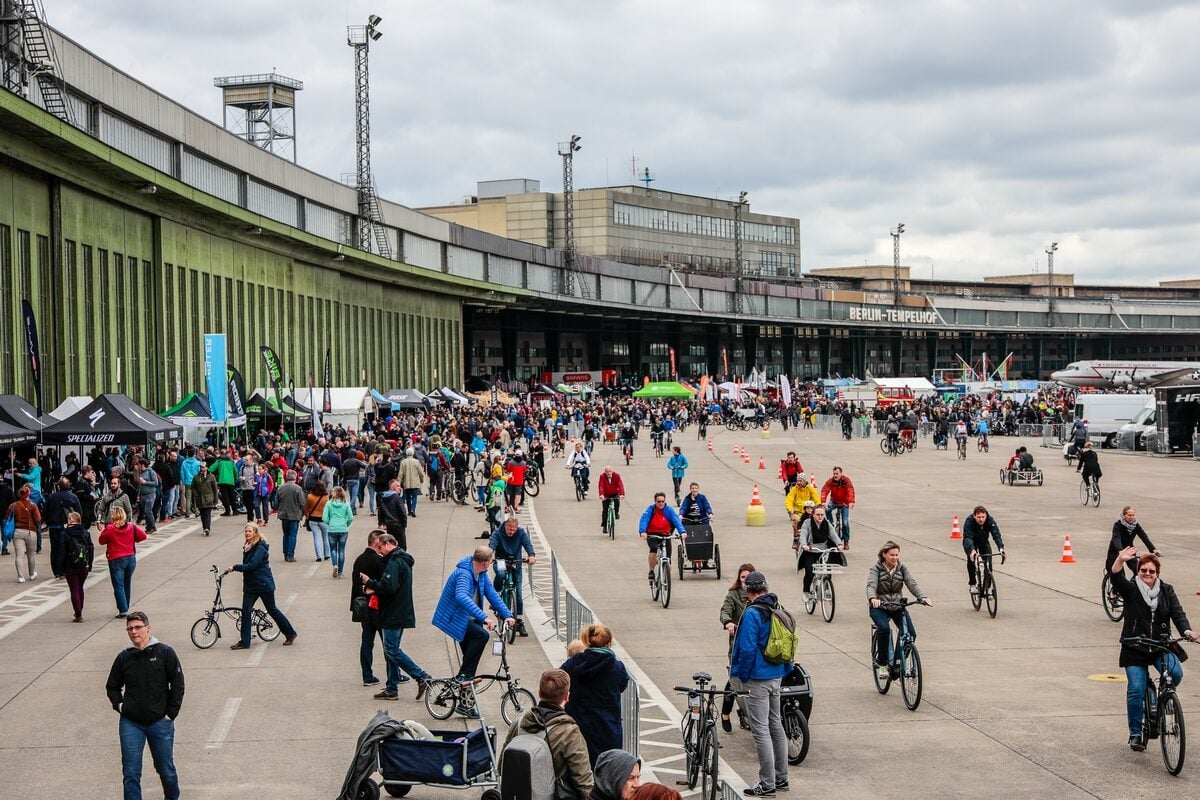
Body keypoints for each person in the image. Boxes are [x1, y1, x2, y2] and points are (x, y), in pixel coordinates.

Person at [1109, 547, 1198, 751]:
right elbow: (1115, 577)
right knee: (1136, 690)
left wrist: (1187, 631)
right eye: (1143, 570)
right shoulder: (1131, 589)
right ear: (1138, 571)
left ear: (1157, 573)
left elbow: (1177, 613)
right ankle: (1136, 734)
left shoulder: (1167, 590)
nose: (1147, 574)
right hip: (1135, 646)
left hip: (1160, 645)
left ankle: (1163, 699)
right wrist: (1119, 560)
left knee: (1175, 674)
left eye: (1151, 571)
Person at [105, 611, 184, 800]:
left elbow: (178, 684)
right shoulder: (124, 657)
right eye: (130, 629)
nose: (134, 631)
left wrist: (170, 714)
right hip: (131, 723)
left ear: (148, 628)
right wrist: (121, 706)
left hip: (160, 722)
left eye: (138, 627)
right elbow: (112, 686)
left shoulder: (165, 652)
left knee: (166, 770)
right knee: (131, 773)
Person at [729, 571, 790, 797]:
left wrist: (742, 676)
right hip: (777, 674)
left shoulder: (753, 612)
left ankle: (767, 783)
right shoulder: (777, 606)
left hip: (758, 677)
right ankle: (781, 777)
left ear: (749, 590)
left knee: (760, 730)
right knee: (776, 724)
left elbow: (746, 647)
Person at [432, 546, 515, 693]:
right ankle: (462, 677)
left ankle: (465, 700)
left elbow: (493, 595)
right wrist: (484, 618)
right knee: (482, 636)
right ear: (485, 563)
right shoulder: (464, 574)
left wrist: (507, 615)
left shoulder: (481, 574)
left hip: (468, 620)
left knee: (470, 662)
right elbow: (461, 596)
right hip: (456, 619)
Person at [502, 668, 595, 798]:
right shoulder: (569, 733)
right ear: (567, 696)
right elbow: (583, 781)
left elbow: (502, 766)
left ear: (539, 692)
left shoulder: (518, 724)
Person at [362, 532, 433, 701]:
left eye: (380, 547)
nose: (379, 551)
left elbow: (389, 587)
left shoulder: (395, 562)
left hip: (393, 612)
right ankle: (392, 687)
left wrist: (370, 583)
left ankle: (421, 676)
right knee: (390, 650)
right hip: (400, 611)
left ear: (388, 545)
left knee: (392, 649)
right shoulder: (402, 560)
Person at [561, 624, 629, 765]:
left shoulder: (574, 663)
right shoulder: (617, 667)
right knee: (608, 770)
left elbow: (560, 681)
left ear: (587, 642)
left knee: (580, 770)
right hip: (608, 728)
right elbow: (622, 685)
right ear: (609, 643)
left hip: (578, 726)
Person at [224, 523, 298, 650]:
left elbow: (252, 565)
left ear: (256, 533)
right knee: (245, 612)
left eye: (250, 531)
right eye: (246, 531)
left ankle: (290, 633)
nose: (247, 533)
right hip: (251, 585)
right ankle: (245, 642)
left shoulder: (260, 548)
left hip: (263, 584)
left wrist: (235, 567)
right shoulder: (248, 546)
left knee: (272, 610)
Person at [867, 541, 932, 681]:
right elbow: (871, 585)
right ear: (884, 554)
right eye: (892, 555)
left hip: (897, 606)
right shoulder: (876, 569)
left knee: (910, 634)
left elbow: (911, 583)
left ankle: (897, 664)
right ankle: (883, 664)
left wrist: (922, 597)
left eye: (897, 555)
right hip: (880, 607)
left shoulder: (902, 568)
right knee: (884, 629)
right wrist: (873, 598)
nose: (895, 558)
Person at [719, 564, 757, 734]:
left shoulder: (759, 596)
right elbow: (724, 612)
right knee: (735, 680)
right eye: (743, 577)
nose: (746, 581)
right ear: (739, 579)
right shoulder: (733, 595)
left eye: (749, 577)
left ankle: (745, 712)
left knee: (752, 679)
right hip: (738, 646)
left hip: (757, 646)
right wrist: (728, 623)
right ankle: (726, 712)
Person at [489, 515, 537, 637]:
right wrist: (489, 555)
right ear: (505, 526)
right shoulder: (498, 533)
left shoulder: (520, 533)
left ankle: (519, 621)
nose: (511, 532)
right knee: (500, 574)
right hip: (501, 561)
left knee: (519, 592)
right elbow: (492, 545)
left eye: (513, 530)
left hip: (516, 562)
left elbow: (527, 544)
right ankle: (496, 594)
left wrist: (531, 555)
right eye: (509, 529)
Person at [351, 529, 387, 687]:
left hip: (363, 607)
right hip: (376, 606)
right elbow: (384, 585)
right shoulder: (378, 561)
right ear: (377, 542)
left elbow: (355, 584)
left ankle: (367, 675)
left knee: (367, 641)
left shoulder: (359, 559)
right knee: (388, 642)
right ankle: (395, 674)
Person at [99, 506, 146, 618]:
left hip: (116, 559)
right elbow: (143, 536)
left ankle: (123, 609)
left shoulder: (110, 528)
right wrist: (134, 539)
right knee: (126, 583)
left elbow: (101, 541)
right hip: (130, 558)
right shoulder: (131, 526)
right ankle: (126, 606)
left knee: (118, 585)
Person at [796, 506, 845, 603]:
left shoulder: (826, 523)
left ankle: (827, 588)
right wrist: (804, 544)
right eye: (818, 514)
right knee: (809, 572)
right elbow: (803, 534)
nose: (820, 517)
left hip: (824, 550)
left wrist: (839, 544)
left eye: (822, 515)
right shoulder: (807, 523)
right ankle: (806, 591)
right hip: (810, 550)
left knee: (827, 570)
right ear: (813, 515)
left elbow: (832, 533)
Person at [637, 492, 687, 582]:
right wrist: (643, 531)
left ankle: (666, 576)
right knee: (653, 548)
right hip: (652, 534)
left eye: (662, 501)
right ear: (655, 501)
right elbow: (644, 519)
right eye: (658, 501)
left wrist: (682, 532)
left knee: (668, 556)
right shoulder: (651, 509)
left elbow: (676, 521)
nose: (661, 503)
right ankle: (651, 571)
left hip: (665, 535)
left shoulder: (669, 510)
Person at [1107, 507, 1159, 592]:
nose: (1132, 517)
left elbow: (1143, 536)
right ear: (1124, 516)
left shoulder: (1135, 525)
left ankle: (1131, 587)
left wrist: (1153, 549)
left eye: (1133, 515)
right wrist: (1120, 550)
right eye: (1129, 515)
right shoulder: (1118, 525)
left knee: (1138, 569)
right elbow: (1116, 538)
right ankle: (1114, 592)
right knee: (1119, 574)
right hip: (1116, 551)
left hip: (1130, 551)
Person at [44, 477, 82, 579]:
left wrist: (49, 523)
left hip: (54, 527)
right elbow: (79, 512)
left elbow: (45, 512)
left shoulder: (51, 497)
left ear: (58, 486)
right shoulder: (73, 497)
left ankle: (57, 571)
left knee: (55, 548)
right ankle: (66, 569)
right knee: (68, 548)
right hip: (68, 526)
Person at [961, 506, 1005, 595]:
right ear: (974, 516)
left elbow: (996, 534)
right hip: (971, 542)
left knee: (988, 563)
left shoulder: (990, 520)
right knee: (971, 560)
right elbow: (968, 537)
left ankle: (988, 587)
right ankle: (972, 584)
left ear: (986, 515)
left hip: (983, 541)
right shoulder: (969, 521)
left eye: (983, 517)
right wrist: (972, 550)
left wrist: (1001, 548)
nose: (981, 520)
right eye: (979, 517)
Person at [63, 511, 94, 621]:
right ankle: (79, 609)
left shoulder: (65, 534)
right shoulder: (85, 533)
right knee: (80, 587)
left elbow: (61, 551)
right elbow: (91, 548)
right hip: (83, 564)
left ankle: (78, 612)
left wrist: (60, 567)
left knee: (74, 589)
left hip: (70, 565)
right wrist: (89, 563)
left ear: (71, 521)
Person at [8, 484, 42, 583]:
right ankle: (31, 574)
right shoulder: (32, 505)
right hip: (30, 531)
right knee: (31, 554)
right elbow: (38, 519)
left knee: (19, 555)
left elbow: (8, 517)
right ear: (28, 494)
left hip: (17, 532)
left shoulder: (13, 505)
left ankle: (20, 576)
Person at [820, 467, 855, 549]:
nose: (835, 475)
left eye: (837, 473)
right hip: (834, 501)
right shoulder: (831, 481)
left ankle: (846, 541)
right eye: (834, 474)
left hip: (844, 503)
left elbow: (850, 490)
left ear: (841, 473)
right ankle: (830, 524)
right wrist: (823, 501)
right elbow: (825, 490)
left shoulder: (846, 481)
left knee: (845, 523)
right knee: (827, 509)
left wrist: (851, 502)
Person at [323, 485, 354, 579]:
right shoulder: (346, 504)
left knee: (333, 549)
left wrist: (330, 523)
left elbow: (324, 517)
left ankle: (335, 564)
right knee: (341, 550)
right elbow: (351, 518)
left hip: (332, 528)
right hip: (343, 528)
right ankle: (340, 572)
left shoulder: (329, 503)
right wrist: (346, 524)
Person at [274, 470, 305, 561]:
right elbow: (302, 503)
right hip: (294, 514)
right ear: (295, 478)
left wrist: (279, 509)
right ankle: (290, 554)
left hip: (284, 514)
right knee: (292, 535)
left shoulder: (281, 488)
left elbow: (276, 502)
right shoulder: (298, 489)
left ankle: (285, 554)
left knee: (286, 534)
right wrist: (302, 513)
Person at [377, 478, 409, 551]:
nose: (399, 488)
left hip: (389, 525)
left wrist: (381, 522)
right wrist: (404, 523)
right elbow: (402, 512)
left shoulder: (383, 497)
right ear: (392, 487)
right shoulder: (397, 498)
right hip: (398, 524)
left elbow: (380, 511)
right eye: (397, 486)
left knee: (392, 545)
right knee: (402, 546)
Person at [304, 481, 331, 562]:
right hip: (323, 519)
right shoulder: (326, 497)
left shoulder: (310, 496)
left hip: (313, 519)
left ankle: (318, 556)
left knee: (316, 538)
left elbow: (307, 509)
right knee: (325, 537)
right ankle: (327, 554)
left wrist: (307, 517)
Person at [190, 461, 219, 537]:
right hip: (200, 499)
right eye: (200, 467)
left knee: (207, 514)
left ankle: (207, 528)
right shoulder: (196, 477)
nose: (201, 468)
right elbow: (192, 487)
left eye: (203, 467)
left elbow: (215, 489)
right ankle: (204, 528)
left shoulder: (211, 477)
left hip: (209, 499)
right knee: (203, 515)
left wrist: (216, 500)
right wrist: (196, 495)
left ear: (207, 468)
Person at [398, 447, 425, 517]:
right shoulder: (416, 462)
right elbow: (421, 473)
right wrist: (421, 480)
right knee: (414, 497)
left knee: (407, 497)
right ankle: (413, 509)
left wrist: (398, 483)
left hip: (406, 482)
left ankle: (409, 511)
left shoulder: (403, 462)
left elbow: (400, 474)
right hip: (415, 482)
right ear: (413, 453)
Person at [597, 466, 625, 532]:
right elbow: (601, 485)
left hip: (615, 493)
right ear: (605, 472)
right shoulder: (602, 476)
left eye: (610, 471)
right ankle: (604, 526)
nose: (608, 473)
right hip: (606, 495)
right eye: (607, 472)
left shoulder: (616, 476)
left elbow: (620, 484)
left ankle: (616, 513)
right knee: (605, 510)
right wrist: (601, 495)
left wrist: (622, 494)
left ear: (612, 471)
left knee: (617, 502)